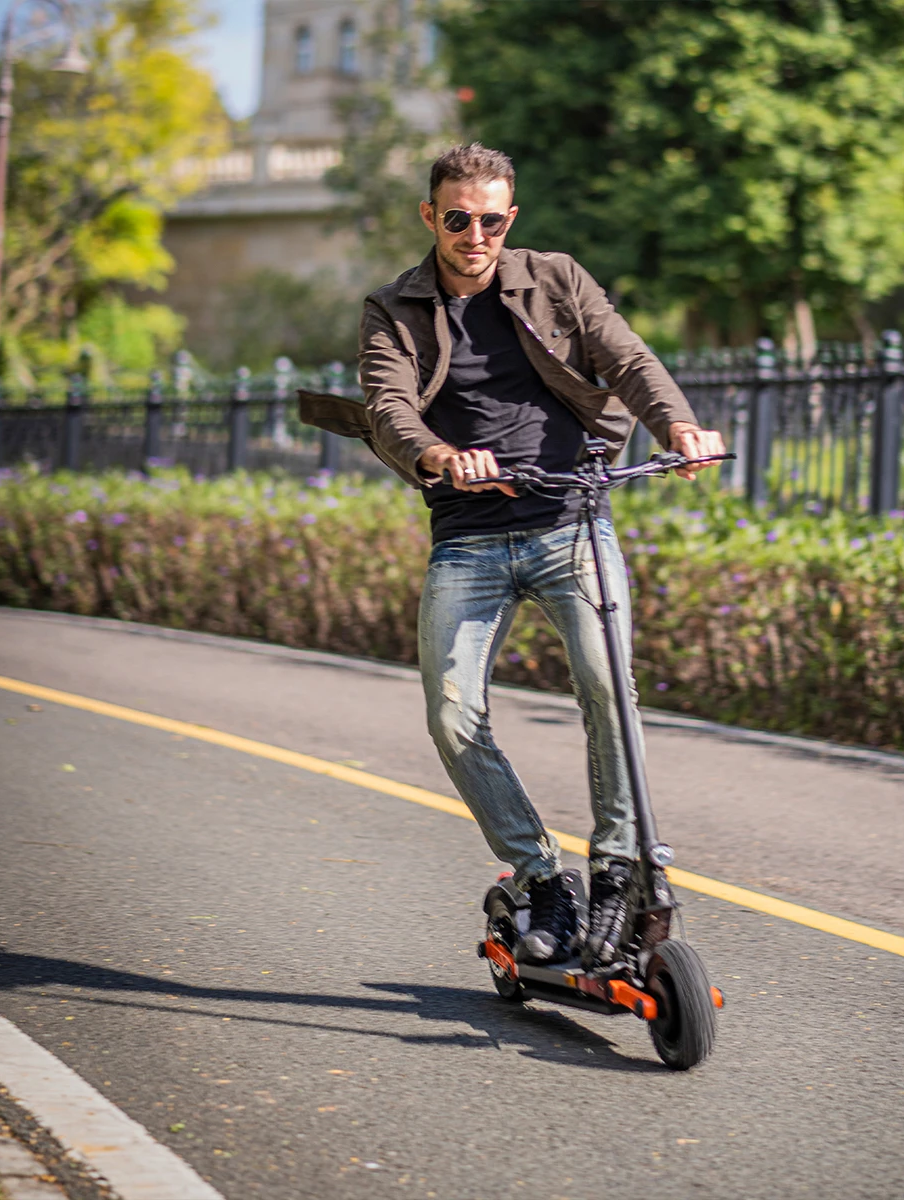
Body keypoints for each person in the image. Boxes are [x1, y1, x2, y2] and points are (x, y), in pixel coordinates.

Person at [356, 143, 724, 964]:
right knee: (453, 715)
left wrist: (678, 425)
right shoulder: (394, 308)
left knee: (607, 687)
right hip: (468, 536)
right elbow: (386, 407)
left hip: (570, 522)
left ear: (509, 220)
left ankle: (618, 868)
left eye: (491, 220)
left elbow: (626, 357)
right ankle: (539, 874)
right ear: (431, 217)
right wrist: (441, 455)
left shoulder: (557, 278)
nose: (475, 234)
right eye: (458, 218)